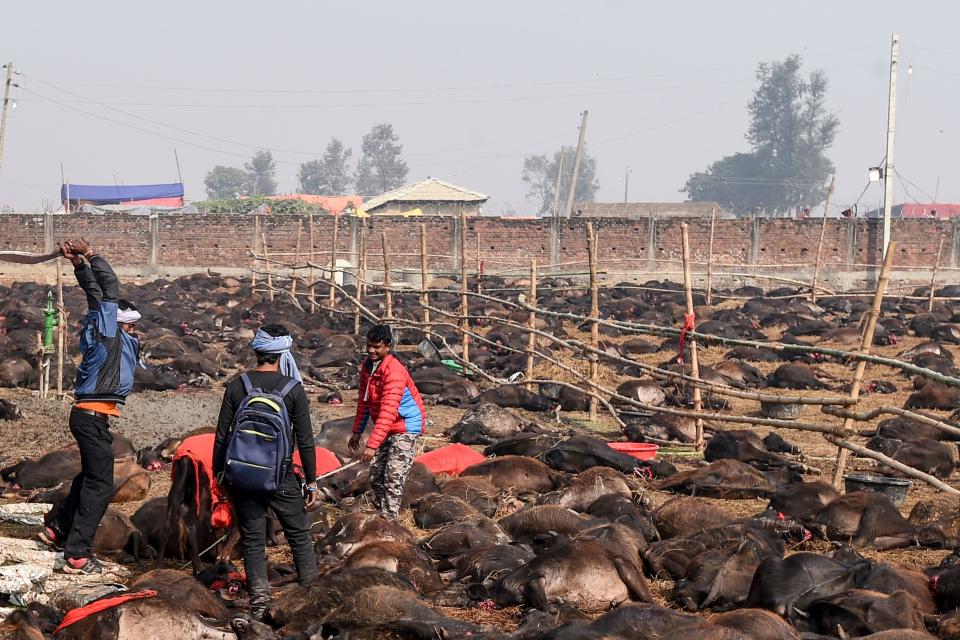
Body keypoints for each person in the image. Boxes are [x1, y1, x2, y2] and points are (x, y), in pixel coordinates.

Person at [41, 239, 142, 574]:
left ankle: (57, 528)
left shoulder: (104, 332)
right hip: (89, 416)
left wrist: (79, 265)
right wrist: (93, 251)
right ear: (117, 323)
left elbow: (96, 294)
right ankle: (77, 553)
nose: (133, 331)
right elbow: (107, 288)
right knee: (100, 485)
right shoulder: (108, 332)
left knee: (90, 477)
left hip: (91, 418)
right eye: (130, 326)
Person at [213, 324, 319, 619]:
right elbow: (306, 440)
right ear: (283, 353)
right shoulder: (292, 389)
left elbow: (222, 436)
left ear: (256, 351)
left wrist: (218, 475)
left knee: (253, 538)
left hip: (243, 477)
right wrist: (311, 481)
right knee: (298, 534)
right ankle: (312, 596)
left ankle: (259, 602)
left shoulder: (238, 385)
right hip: (281, 476)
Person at [349, 324, 426, 520]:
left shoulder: (394, 372)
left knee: (393, 474)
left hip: (406, 426)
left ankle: (390, 519)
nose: (371, 350)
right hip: (387, 427)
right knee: (375, 476)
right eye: (369, 346)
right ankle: (383, 513)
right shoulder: (367, 367)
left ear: (388, 347)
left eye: (377, 347)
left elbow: (389, 410)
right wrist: (357, 431)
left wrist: (372, 444)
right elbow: (364, 401)